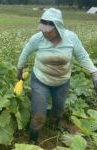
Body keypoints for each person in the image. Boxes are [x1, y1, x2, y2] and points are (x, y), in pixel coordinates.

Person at [16, 8, 97, 144]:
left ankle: (54, 124)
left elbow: (82, 56)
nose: (44, 33)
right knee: (39, 113)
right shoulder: (38, 39)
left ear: (58, 27)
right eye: (42, 29)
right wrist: (19, 69)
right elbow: (26, 52)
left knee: (59, 108)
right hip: (41, 79)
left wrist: (94, 73)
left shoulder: (71, 38)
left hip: (62, 81)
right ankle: (33, 138)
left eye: (48, 31)